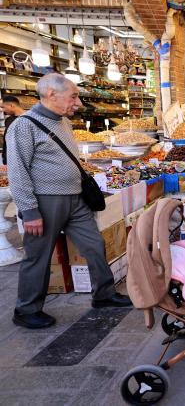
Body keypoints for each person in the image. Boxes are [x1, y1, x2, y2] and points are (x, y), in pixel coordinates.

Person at [8, 73, 131, 329]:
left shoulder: (63, 122)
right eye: (73, 96)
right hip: (46, 201)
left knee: (94, 244)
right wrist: (29, 211)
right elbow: (17, 171)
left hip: (76, 198)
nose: (77, 103)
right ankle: (26, 309)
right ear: (51, 94)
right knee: (38, 256)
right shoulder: (24, 125)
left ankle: (104, 294)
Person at [1, 95, 25, 165]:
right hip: (9, 158)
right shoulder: (8, 120)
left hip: (21, 160)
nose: (2, 110)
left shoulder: (28, 120)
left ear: (11, 105)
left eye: (3, 107)